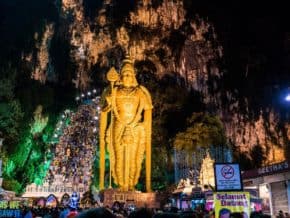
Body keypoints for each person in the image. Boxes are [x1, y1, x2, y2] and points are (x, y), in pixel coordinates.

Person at [99, 56, 153, 192]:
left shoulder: (140, 92)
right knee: (118, 158)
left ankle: (131, 184)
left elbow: (148, 110)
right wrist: (109, 101)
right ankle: (121, 185)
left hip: (135, 128)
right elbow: (104, 110)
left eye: (130, 74)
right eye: (124, 74)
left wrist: (146, 128)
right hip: (118, 127)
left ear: (134, 75)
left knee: (134, 159)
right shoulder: (114, 91)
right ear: (120, 76)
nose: (127, 76)